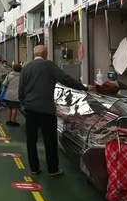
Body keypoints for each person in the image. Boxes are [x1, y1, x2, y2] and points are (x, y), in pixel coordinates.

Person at [19, 45, 94, 177]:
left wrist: (24, 102)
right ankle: (52, 169)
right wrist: (84, 88)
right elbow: (66, 80)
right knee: (50, 140)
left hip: (30, 109)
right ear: (45, 53)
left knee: (31, 140)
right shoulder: (49, 65)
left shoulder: (26, 67)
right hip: (46, 110)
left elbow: (21, 89)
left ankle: (34, 168)